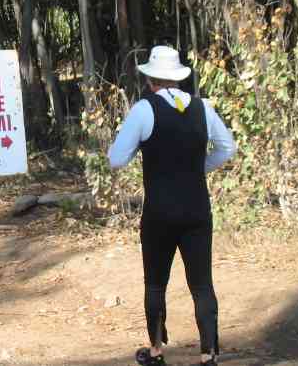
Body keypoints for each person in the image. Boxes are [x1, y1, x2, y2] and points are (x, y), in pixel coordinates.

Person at [107, 46, 236, 366]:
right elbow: (227, 148)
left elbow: (116, 159)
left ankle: (156, 352)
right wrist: (196, 168)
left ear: (150, 80)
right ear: (178, 78)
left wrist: (141, 149)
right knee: (202, 284)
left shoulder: (144, 110)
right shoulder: (203, 107)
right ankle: (208, 355)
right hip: (197, 209)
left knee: (155, 284)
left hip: (160, 212)